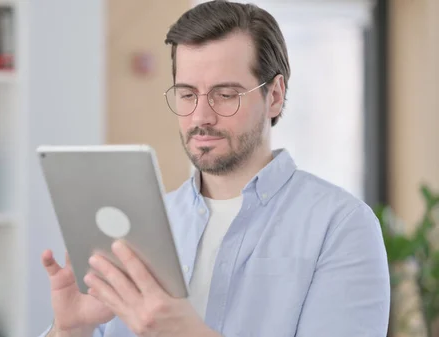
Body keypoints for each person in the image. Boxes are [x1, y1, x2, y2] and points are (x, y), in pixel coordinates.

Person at [38, 0, 391, 336]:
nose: (201, 117)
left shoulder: (343, 227)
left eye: (225, 94)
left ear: (276, 95)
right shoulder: (144, 226)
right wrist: (71, 330)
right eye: (187, 94)